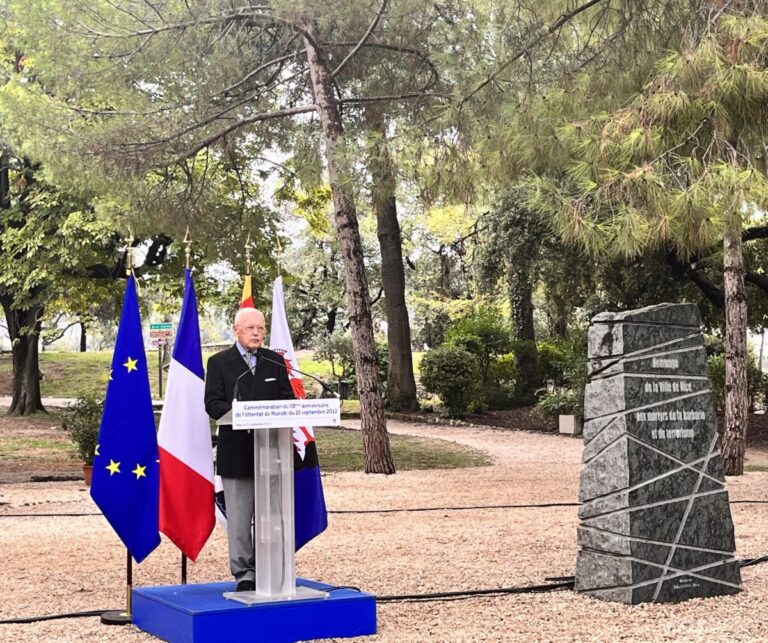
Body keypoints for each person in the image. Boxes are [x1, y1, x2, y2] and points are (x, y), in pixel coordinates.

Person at [204, 307, 294, 592]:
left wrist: (268, 414)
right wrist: (242, 413)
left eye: (261, 328)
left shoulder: (274, 360)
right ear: (236, 330)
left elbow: (287, 400)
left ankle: (273, 567)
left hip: (271, 451)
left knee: (272, 516)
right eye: (250, 328)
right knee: (240, 520)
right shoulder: (219, 362)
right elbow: (213, 404)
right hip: (237, 451)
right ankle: (244, 573)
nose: (257, 333)